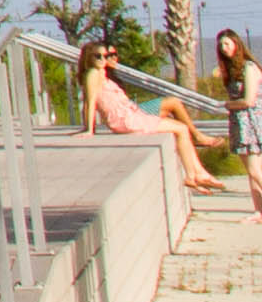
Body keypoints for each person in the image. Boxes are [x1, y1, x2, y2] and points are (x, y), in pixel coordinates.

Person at [79, 40, 232, 194]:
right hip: (126, 118)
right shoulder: (93, 74)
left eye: (106, 56)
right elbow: (90, 102)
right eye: (98, 56)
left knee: (179, 127)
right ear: (88, 58)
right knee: (181, 127)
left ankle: (196, 173)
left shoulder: (102, 73)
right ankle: (193, 174)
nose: (103, 59)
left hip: (129, 115)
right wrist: (89, 129)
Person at [209, 28, 262, 222]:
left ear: (237, 44)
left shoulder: (249, 67)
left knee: (256, 170)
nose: (224, 48)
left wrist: (226, 105)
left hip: (252, 122)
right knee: (250, 172)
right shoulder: (231, 70)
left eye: (227, 43)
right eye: (221, 45)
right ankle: (258, 210)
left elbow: (249, 100)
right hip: (239, 123)